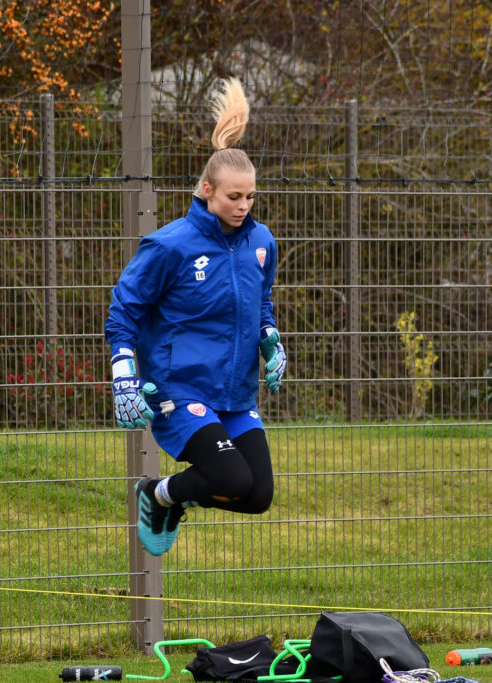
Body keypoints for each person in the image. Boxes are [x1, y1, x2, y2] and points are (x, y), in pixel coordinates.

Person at [105, 78, 287, 557]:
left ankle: (165, 496)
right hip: (180, 390)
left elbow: (261, 303)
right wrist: (124, 376)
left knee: (257, 496)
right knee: (231, 478)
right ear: (207, 190)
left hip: (235, 393)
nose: (243, 207)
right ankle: (154, 494)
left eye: (250, 197)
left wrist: (271, 340)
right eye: (233, 197)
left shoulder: (262, 242)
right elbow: (123, 312)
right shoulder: (170, 246)